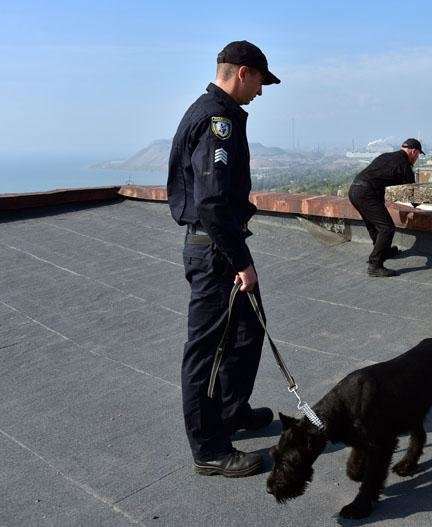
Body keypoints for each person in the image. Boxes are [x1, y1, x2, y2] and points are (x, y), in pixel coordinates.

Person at [167, 40, 280, 477]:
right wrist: (240, 262)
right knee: (208, 350)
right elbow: (212, 202)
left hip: (218, 244)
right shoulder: (218, 120)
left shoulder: (211, 111)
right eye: (260, 82)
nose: (261, 92)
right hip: (215, 249)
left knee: (247, 333)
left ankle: (231, 411)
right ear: (243, 72)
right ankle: (210, 448)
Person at [348, 138, 424, 277]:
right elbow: (412, 194)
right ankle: (375, 265)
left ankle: (385, 251)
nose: (416, 159)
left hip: (354, 190)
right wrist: (424, 203)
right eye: (418, 155)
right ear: (413, 151)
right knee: (387, 228)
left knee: (373, 225)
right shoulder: (404, 164)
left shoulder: (387, 156)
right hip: (367, 193)